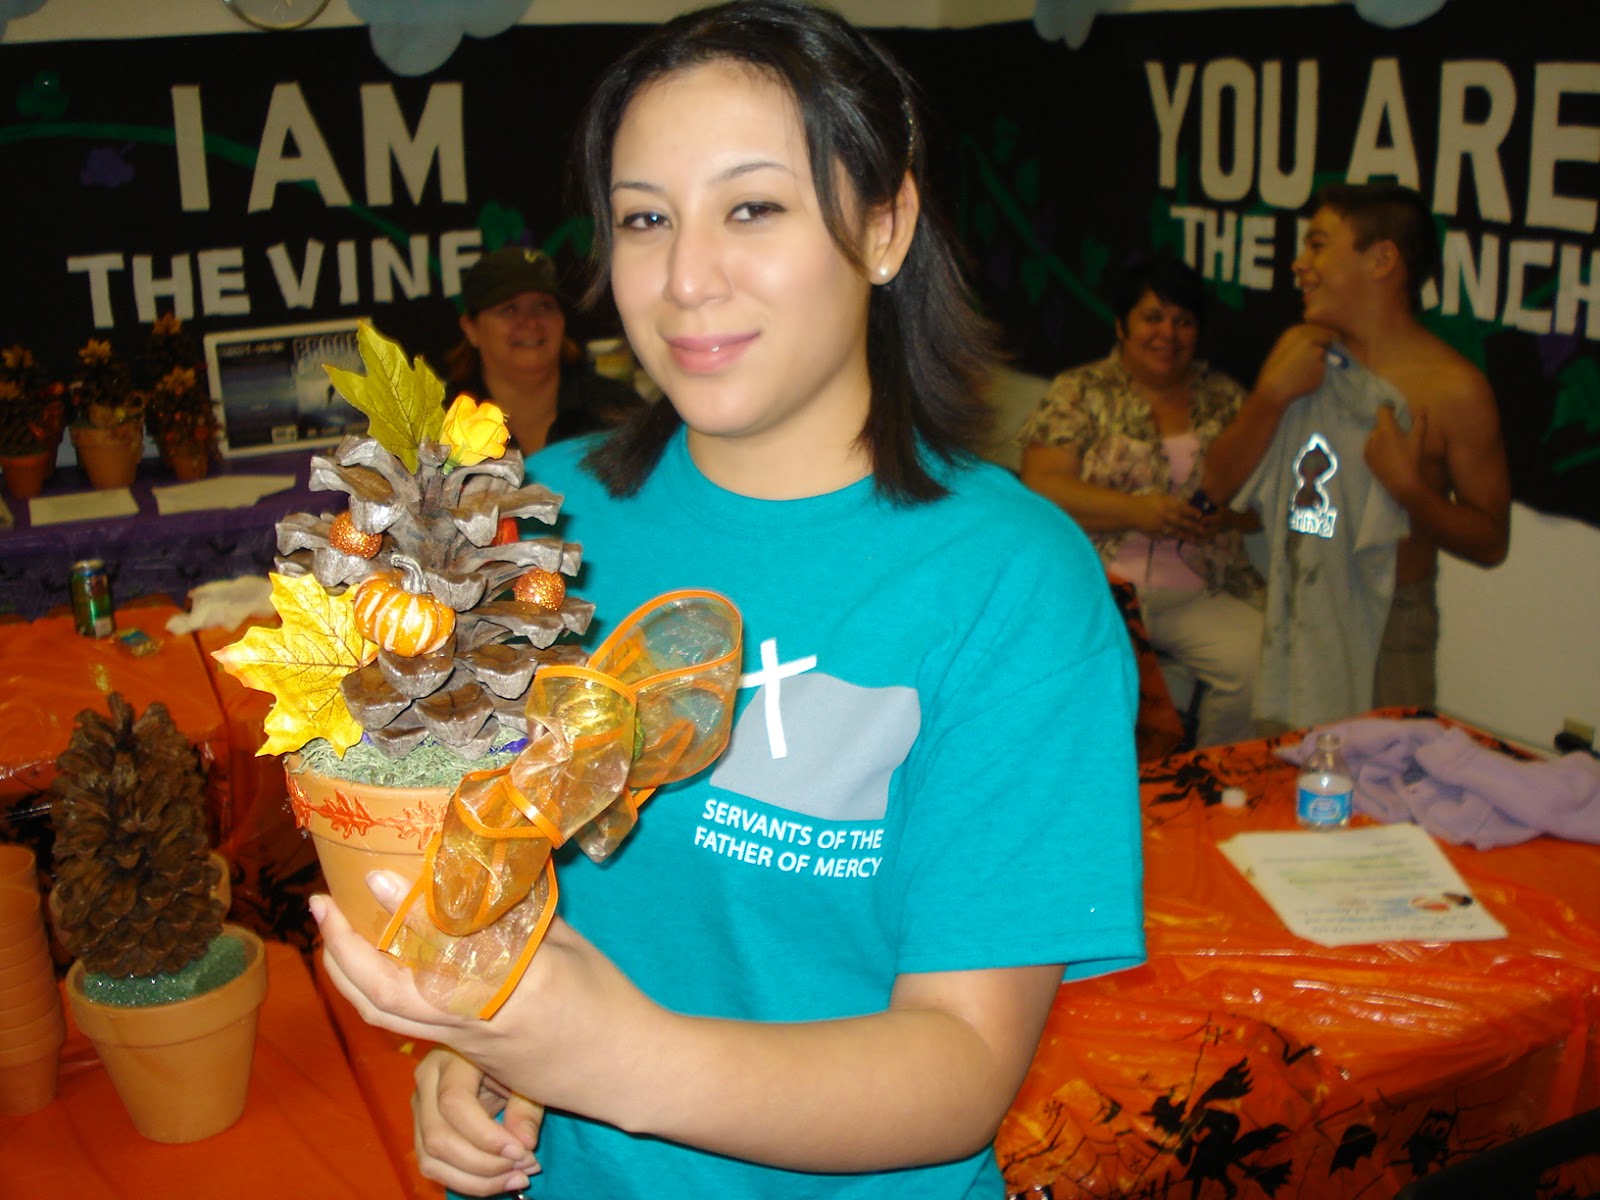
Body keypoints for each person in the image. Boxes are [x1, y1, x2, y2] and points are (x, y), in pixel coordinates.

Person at [314, 3, 1146, 1197]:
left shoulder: (1010, 582)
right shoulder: (530, 523)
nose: (685, 278)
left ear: (884, 226)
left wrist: (608, 1057)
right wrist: (479, 1052)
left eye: (751, 208)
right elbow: (497, 886)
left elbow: (962, 1063)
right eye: (645, 218)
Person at [1204, 181, 1510, 729]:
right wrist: (1270, 397)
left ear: (1382, 260)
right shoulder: (1300, 351)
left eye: (1318, 245)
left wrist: (1409, 491)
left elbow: (1491, 542)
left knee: (1381, 781)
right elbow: (1216, 486)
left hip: (1392, 626)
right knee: (1287, 775)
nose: (1299, 264)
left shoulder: (1454, 389)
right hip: (1298, 609)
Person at [1017, 254, 1263, 747]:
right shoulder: (1080, 391)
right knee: (1080, 692)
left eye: (1183, 321)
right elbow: (1041, 486)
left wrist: (1225, 519)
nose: (1167, 334)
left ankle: (1212, 775)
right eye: (1152, 317)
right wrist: (1137, 510)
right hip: (1099, 589)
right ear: (1121, 325)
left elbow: (1261, 507)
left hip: (1200, 590)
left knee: (1260, 666)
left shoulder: (1228, 400)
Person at [446, 245, 645, 454]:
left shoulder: (616, 411)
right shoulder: (438, 423)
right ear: (470, 328)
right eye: (509, 310)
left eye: (544, 307)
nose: (531, 322)